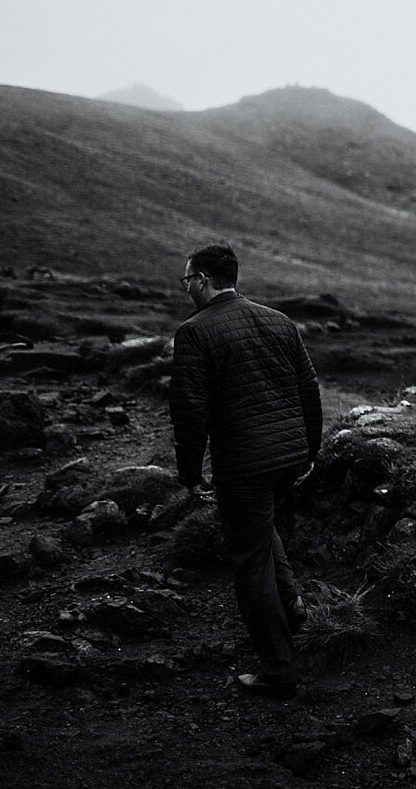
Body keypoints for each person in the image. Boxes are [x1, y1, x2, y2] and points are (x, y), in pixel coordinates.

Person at [170, 243, 322, 699]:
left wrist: (190, 473)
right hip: (288, 456)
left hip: (245, 462)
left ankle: (278, 671)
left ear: (201, 279)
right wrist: (309, 451)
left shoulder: (194, 332)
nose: (186, 289)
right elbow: (308, 389)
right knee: (262, 528)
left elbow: (190, 410)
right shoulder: (279, 320)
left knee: (250, 560)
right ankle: (292, 606)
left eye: (186, 281)